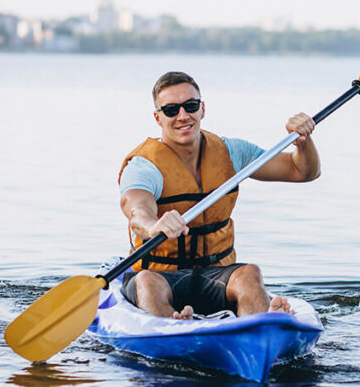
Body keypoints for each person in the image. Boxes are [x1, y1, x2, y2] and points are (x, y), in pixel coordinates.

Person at [118, 71, 319, 319]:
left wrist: (303, 142)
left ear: (202, 109)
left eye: (190, 106)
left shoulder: (232, 152)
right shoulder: (143, 166)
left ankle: (256, 328)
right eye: (171, 110)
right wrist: (153, 226)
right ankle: (176, 327)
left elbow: (303, 171)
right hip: (161, 275)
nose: (183, 116)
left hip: (215, 274)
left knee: (249, 274)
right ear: (158, 118)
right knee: (146, 282)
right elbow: (136, 209)